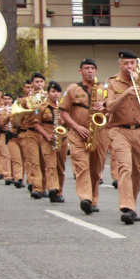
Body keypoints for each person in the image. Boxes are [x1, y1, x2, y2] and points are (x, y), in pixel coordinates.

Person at [104, 50, 140, 224]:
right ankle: (126, 207)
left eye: (132, 63)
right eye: (126, 63)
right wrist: (126, 93)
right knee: (125, 168)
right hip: (119, 130)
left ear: (136, 65)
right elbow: (109, 107)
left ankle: (132, 205)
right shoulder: (112, 82)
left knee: (137, 171)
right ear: (120, 64)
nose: (129, 67)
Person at [60, 58, 110, 215]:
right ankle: (85, 199)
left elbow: (112, 109)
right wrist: (76, 126)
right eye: (87, 68)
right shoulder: (73, 89)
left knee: (96, 169)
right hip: (77, 133)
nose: (90, 71)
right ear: (80, 71)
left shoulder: (104, 89)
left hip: (99, 133)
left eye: (93, 68)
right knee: (82, 167)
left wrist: (104, 108)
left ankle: (93, 198)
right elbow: (63, 111)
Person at [17, 73, 47, 199]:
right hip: (31, 132)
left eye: (41, 81)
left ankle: (44, 186)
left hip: (45, 132)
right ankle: (36, 187)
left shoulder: (48, 96)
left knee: (44, 161)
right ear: (32, 84)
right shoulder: (26, 99)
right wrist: (32, 98)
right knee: (33, 161)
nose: (39, 84)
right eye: (36, 82)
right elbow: (20, 112)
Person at [34, 81, 64, 203]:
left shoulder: (63, 107)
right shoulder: (41, 107)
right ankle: (52, 188)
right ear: (48, 93)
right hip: (47, 139)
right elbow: (36, 124)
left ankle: (59, 191)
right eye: (53, 92)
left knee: (60, 167)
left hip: (61, 138)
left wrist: (64, 121)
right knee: (50, 165)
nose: (55, 94)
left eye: (57, 92)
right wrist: (46, 135)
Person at [1, 94, 25, 188]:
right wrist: (9, 114)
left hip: (24, 137)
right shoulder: (12, 111)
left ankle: (30, 181)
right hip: (13, 137)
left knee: (26, 160)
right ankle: (18, 179)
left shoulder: (26, 112)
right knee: (16, 159)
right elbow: (1, 123)